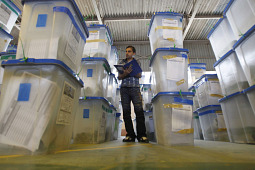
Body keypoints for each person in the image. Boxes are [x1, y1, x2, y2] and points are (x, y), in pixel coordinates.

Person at [118, 46, 149, 143]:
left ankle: (142, 135)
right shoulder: (121, 63)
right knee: (126, 113)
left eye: (129, 51)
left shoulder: (137, 62)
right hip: (124, 90)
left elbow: (139, 75)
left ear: (133, 53)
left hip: (135, 89)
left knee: (139, 111)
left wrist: (129, 72)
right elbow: (119, 77)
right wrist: (125, 73)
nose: (127, 53)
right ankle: (130, 135)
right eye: (126, 51)